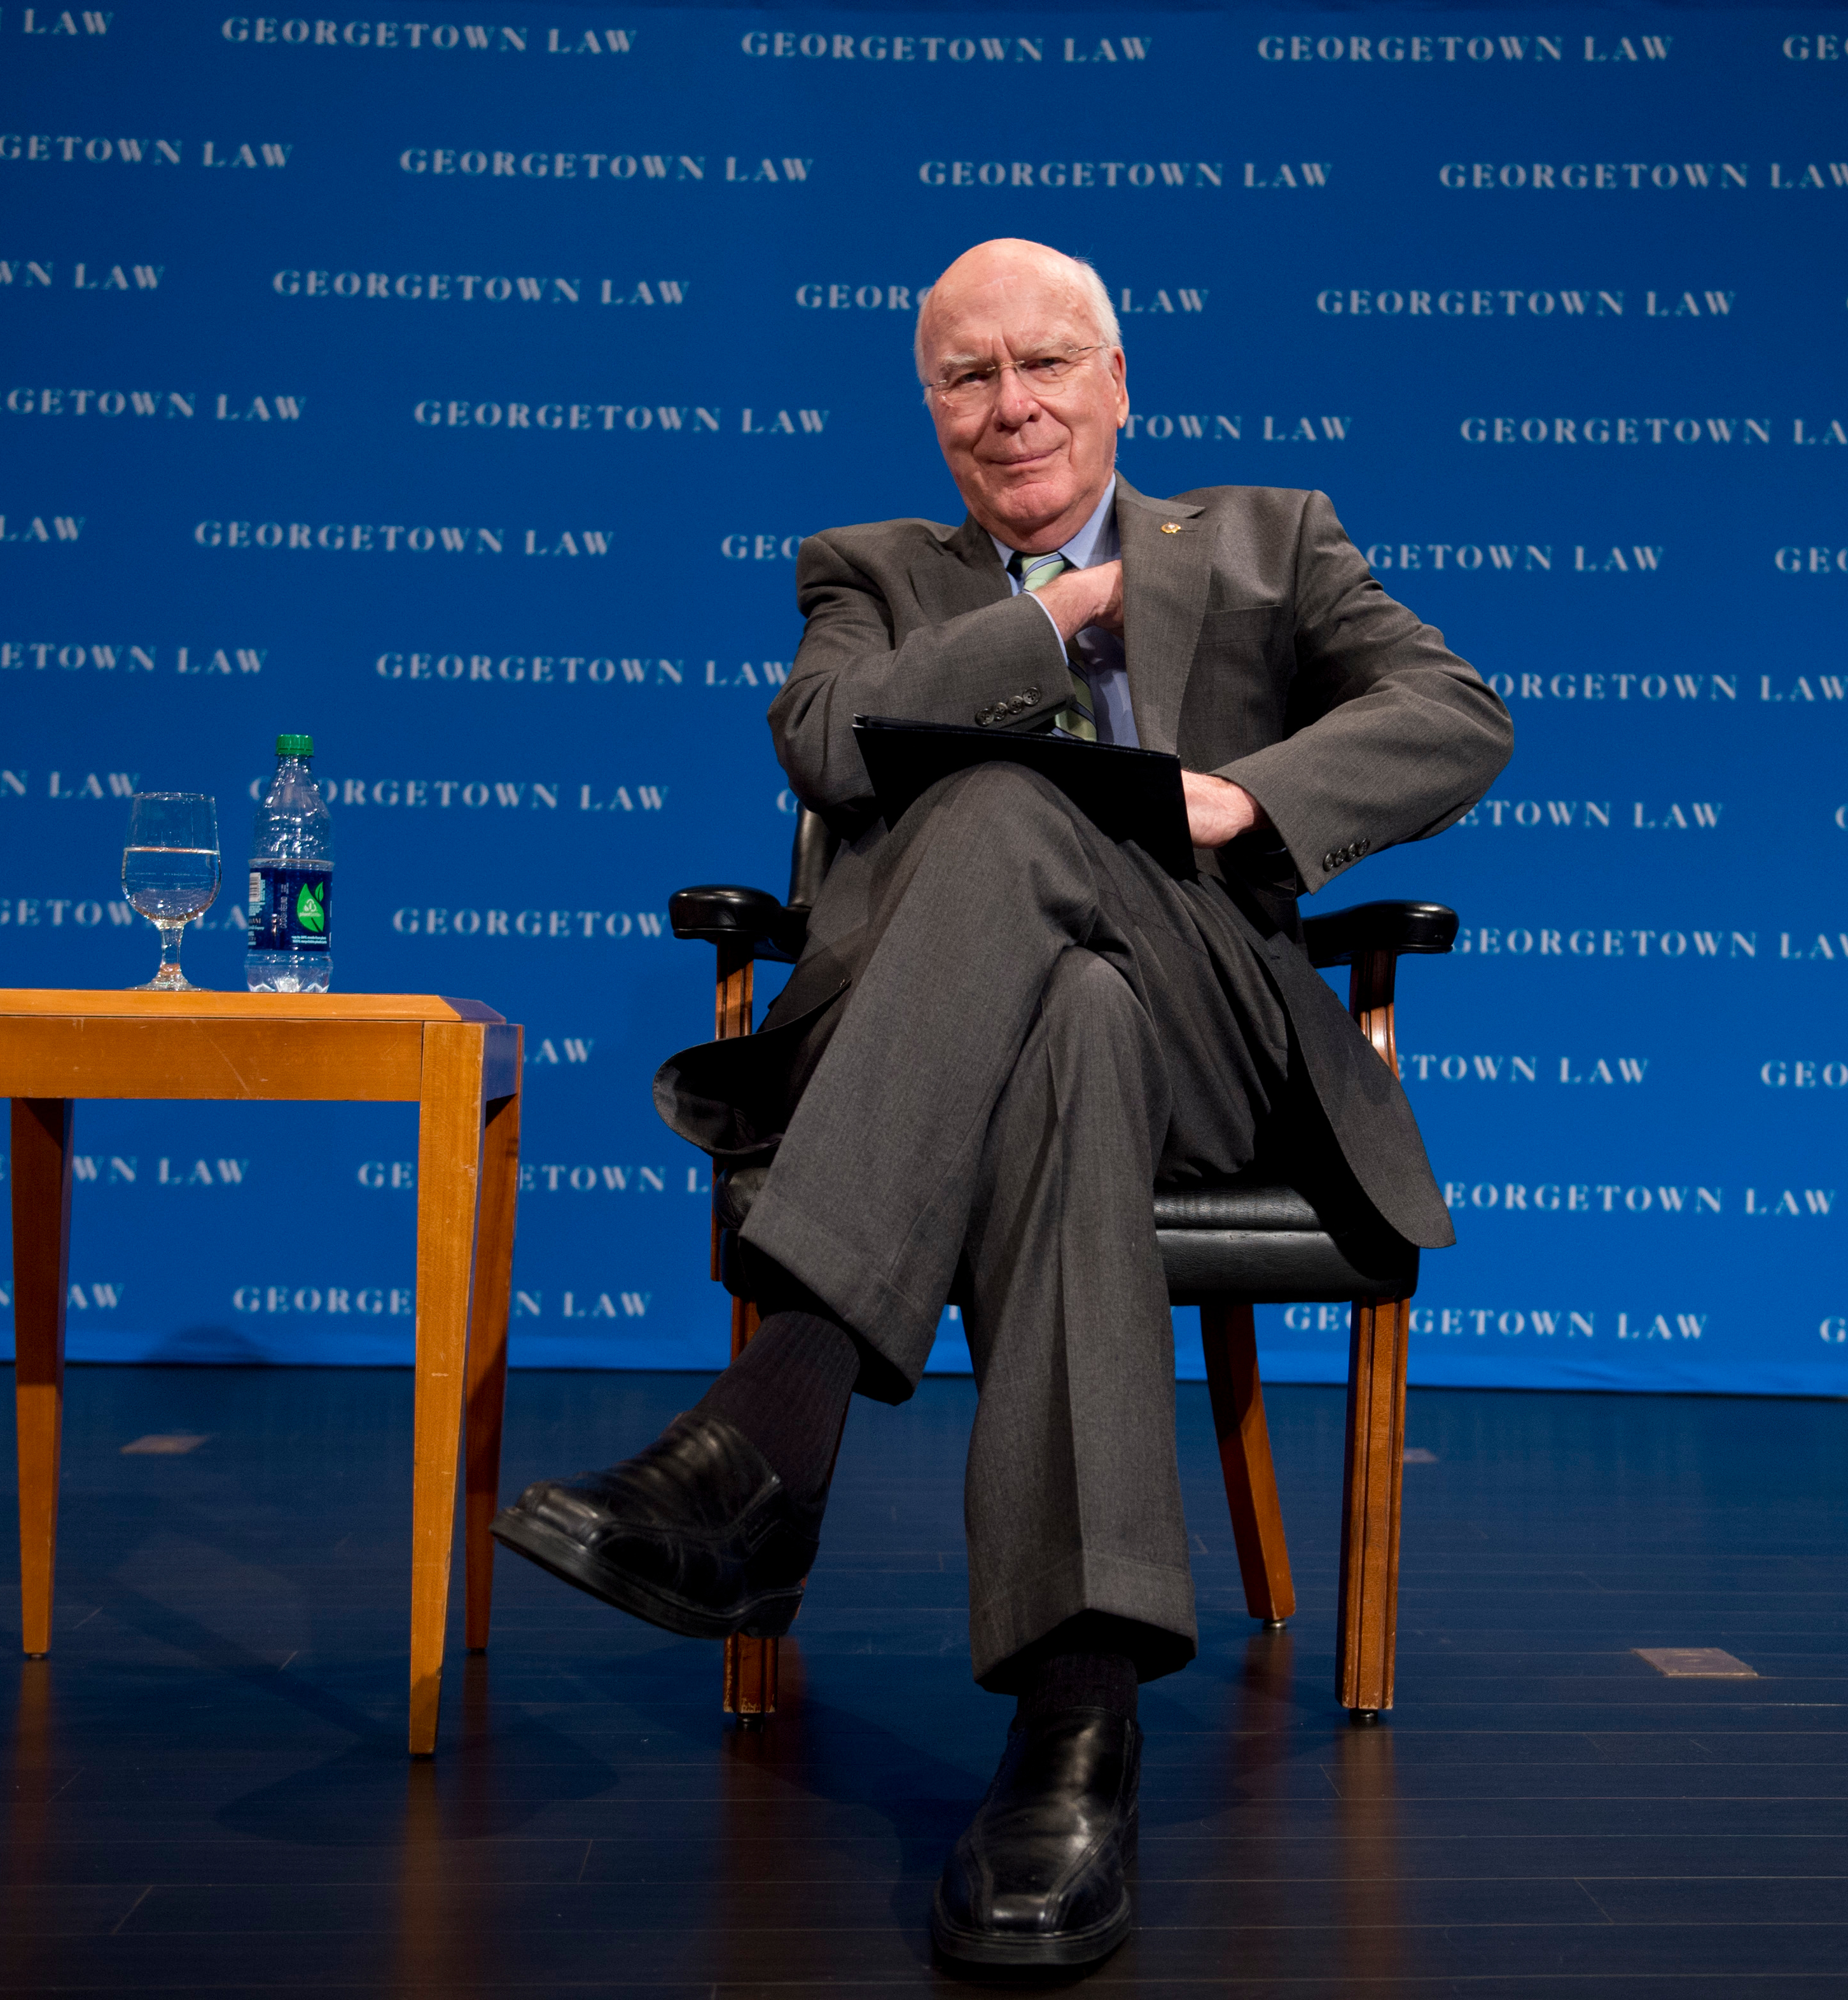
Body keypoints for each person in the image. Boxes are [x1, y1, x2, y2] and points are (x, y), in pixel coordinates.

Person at [495, 237, 1510, 1970]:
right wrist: (1047, 618)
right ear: (930, 408)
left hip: (1225, 1039)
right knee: (1074, 1019)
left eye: (1048, 365)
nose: (1013, 404)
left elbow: (1455, 714)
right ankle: (1077, 1730)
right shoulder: (873, 572)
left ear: (1123, 383)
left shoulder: (1274, 542)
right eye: (969, 376)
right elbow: (830, 744)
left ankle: (771, 1436)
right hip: (1013, 1052)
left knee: (1014, 823)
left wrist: (1235, 803)